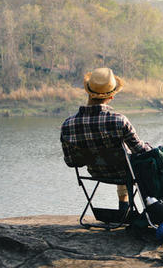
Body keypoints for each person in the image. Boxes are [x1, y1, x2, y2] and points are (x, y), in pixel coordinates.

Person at [60, 67, 153, 211]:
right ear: (111, 97)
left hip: (96, 172)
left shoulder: (68, 125)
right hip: (123, 172)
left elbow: (71, 162)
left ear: (88, 93)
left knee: (122, 157)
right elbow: (140, 150)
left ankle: (124, 208)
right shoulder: (119, 121)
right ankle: (153, 208)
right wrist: (153, 149)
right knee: (134, 161)